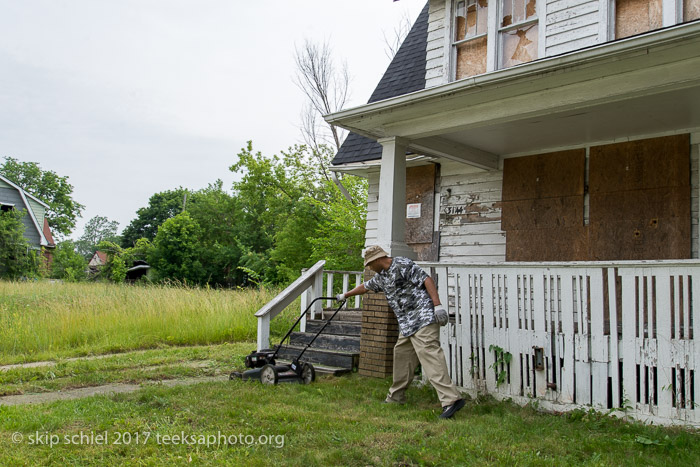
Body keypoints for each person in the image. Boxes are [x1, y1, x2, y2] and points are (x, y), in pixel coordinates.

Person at [336, 245, 465, 419]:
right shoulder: (381, 277)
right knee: (402, 356)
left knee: (430, 356)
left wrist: (438, 305)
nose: (369, 268)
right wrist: (345, 295)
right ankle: (396, 397)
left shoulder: (402, 264)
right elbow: (365, 287)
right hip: (407, 324)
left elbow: (426, 279)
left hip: (423, 317)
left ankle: (451, 400)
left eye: (370, 264)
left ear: (377, 260)